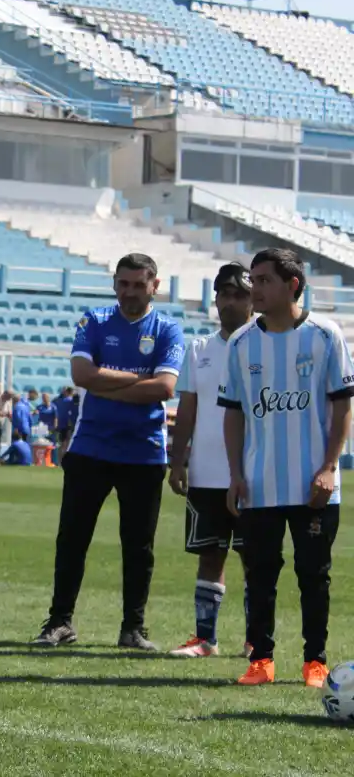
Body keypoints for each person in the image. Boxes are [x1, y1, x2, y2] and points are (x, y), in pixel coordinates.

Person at [32, 253, 185, 651]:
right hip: (91, 448)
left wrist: (106, 382)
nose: (130, 292)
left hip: (145, 452)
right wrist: (140, 380)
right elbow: (81, 375)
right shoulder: (94, 320)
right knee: (73, 539)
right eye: (123, 284)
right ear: (114, 283)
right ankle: (60, 621)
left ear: (155, 285)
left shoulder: (168, 329)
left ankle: (132, 628)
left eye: (138, 284)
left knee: (139, 546)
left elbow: (166, 389)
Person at [219, 248, 353, 687]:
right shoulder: (241, 343)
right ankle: (262, 660)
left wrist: (330, 467)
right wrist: (236, 475)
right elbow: (234, 412)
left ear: (292, 285)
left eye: (263, 281)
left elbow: (342, 407)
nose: (253, 289)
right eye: (252, 280)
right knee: (260, 575)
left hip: (315, 484)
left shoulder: (325, 335)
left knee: (314, 576)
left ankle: (315, 661)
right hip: (259, 484)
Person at [167, 263, 254, 658]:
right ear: (215, 298)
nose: (231, 302)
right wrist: (178, 460)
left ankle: (257, 641)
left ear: (253, 299)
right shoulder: (198, 349)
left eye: (240, 294)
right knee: (209, 555)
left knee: (257, 560)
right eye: (224, 294)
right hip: (206, 473)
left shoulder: (264, 345)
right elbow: (187, 409)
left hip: (255, 475)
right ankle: (205, 639)